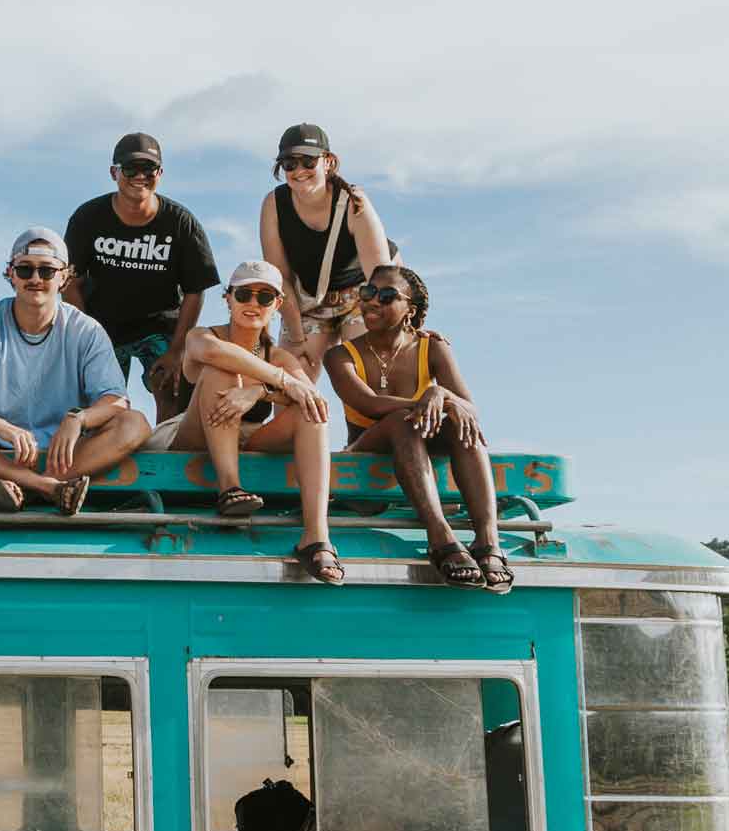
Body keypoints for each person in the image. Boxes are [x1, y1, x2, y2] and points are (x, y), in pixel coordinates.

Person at [0, 228, 150, 513]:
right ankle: (47, 488)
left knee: (135, 423)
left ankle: (30, 488)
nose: (36, 279)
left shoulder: (86, 330)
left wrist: (77, 419)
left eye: (47, 271)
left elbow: (116, 400)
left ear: (65, 277)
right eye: (25, 270)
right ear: (11, 274)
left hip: (65, 454)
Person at [323, 263, 513, 590]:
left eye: (386, 296)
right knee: (401, 420)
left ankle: (487, 541)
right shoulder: (340, 355)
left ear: (410, 309)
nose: (372, 301)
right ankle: (440, 537)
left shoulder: (433, 347)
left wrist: (441, 395)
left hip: (418, 444)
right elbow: (369, 403)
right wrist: (429, 400)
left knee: (460, 424)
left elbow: (468, 407)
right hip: (367, 452)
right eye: (368, 293)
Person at [161, 257, 345, 582]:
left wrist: (258, 392)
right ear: (228, 298)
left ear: (277, 304)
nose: (253, 304)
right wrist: (281, 382)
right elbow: (216, 354)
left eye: (264, 297)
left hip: (247, 437)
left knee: (311, 411)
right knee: (223, 370)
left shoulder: (278, 355)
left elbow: (312, 396)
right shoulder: (203, 336)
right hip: (193, 437)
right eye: (244, 294)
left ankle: (316, 536)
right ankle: (230, 488)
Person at [63, 131, 221, 417]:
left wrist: (177, 351)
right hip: (102, 327)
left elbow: (195, 291)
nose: (140, 176)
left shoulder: (181, 223)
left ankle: (165, 453)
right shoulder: (88, 217)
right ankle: (104, 452)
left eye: (148, 168)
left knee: (172, 387)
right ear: (114, 173)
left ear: (160, 173)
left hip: (160, 327)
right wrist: (84, 336)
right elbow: (69, 282)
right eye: (130, 168)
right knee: (100, 401)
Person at [256, 120, 394, 361]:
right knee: (290, 386)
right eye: (289, 164)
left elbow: (382, 275)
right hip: (310, 301)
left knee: (365, 372)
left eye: (309, 162)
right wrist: (297, 338)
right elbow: (281, 278)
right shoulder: (273, 205)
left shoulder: (353, 202)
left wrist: (399, 326)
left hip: (361, 295)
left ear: (328, 162)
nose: (299, 171)